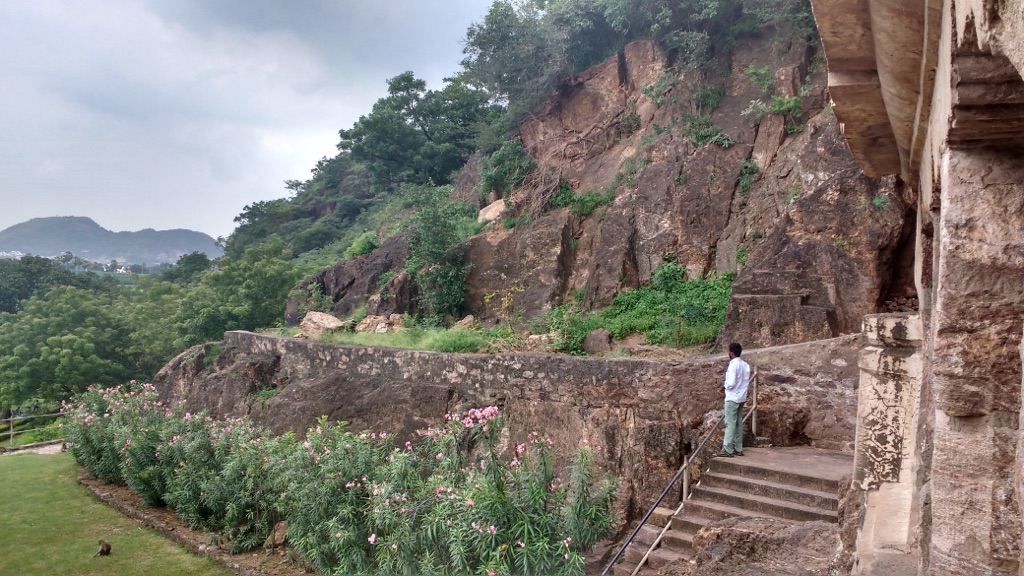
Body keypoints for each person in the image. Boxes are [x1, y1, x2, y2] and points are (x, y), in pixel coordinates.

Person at [715, 342, 751, 457]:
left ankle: (727, 449)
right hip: (741, 397)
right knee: (739, 423)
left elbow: (731, 382)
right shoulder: (745, 365)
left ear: (731, 353)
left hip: (732, 397)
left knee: (730, 423)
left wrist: (724, 387)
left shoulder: (733, 365)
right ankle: (738, 448)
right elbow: (745, 382)